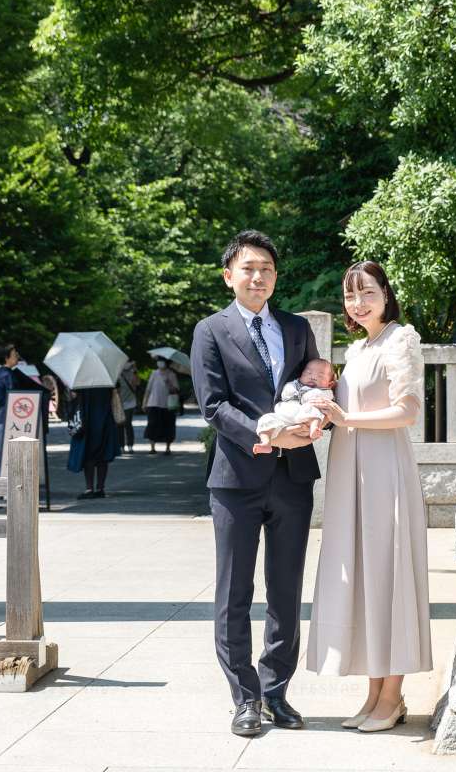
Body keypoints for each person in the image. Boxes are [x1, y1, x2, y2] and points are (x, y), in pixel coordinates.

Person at [190, 230, 322, 737]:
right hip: (237, 478)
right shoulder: (211, 330)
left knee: (286, 591)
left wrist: (313, 422)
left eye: (266, 268)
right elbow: (213, 406)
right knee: (234, 593)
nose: (258, 276)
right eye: (248, 268)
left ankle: (276, 692)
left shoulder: (296, 328)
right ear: (229, 276)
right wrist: (268, 435)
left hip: (294, 478)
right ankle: (244, 698)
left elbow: (312, 389)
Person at [305, 260, 432, 733]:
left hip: (383, 470)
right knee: (361, 577)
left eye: (367, 292)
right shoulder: (357, 347)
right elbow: (342, 409)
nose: (358, 303)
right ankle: (375, 693)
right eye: (351, 295)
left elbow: (407, 411)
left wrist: (348, 419)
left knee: (388, 573)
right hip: (350, 468)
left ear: (385, 293)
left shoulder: (401, 339)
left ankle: (393, 695)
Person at [254, 359, 336, 452]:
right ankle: (266, 442)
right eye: (308, 373)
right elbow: (285, 394)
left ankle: (314, 427)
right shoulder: (293, 385)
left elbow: (323, 404)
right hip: (283, 416)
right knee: (266, 418)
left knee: (314, 408)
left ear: (330, 384)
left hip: (304, 418)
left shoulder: (324, 392)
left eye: (320, 376)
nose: (313, 377)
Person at [66, 386, 120, 498]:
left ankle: (89, 488)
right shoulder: (106, 378)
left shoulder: (82, 378)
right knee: (103, 454)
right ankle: (100, 488)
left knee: (88, 453)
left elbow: (73, 397)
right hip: (105, 418)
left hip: (87, 419)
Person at [0, 342, 19, 479]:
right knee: (0, 454)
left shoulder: (2, 373)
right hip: (3, 419)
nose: (17, 356)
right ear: (7, 358)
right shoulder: (6, 375)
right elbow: (13, 397)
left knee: (0, 454)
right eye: (14, 354)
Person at [142, 358, 179, 453]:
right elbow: (148, 389)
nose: (160, 363)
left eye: (162, 361)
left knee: (168, 426)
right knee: (152, 425)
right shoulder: (154, 373)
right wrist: (144, 403)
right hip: (153, 403)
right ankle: (152, 447)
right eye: (159, 361)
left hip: (168, 405)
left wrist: (168, 382)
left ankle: (168, 448)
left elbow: (175, 390)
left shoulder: (171, 374)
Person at [117, 359, 141, 452]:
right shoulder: (117, 374)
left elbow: (137, 383)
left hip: (130, 402)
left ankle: (130, 445)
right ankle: (121, 446)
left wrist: (135, 371)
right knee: (120, 425)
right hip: (119, 402)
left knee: (128, 424)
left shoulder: (132, 373)